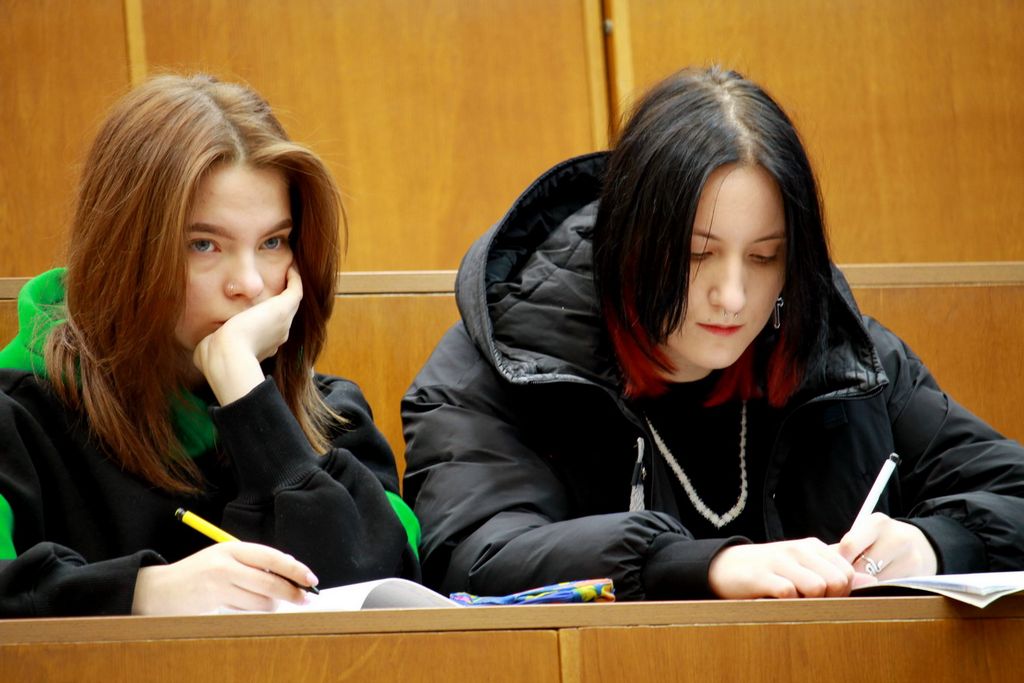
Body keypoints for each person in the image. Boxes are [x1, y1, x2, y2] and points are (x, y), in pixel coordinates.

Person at [401, 66, 1024, 601]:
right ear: (627, 241)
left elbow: (1009, 490)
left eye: (763, 258)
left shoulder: (842, 356)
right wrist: (700, 565)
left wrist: (934, 544)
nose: (733, 297)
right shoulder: (502, 363)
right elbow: (474, 558)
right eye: (698, 255)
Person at [0, 74, 420, 617]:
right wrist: (144, 592)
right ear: (124, 251)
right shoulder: (18, 416)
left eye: (273, 242)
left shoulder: (334, 419)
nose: (249, 282)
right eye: (204, 244)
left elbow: (381, 600)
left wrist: (247, 395)